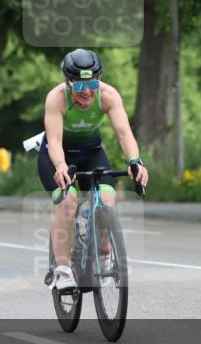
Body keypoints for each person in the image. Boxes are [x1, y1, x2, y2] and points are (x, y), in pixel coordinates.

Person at [38, 48, 149, 291]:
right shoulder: (56, 98)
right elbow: (54, 141)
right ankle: (63, 270)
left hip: (91, 152)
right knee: (68, 201)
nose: (87, 92)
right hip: (57, 155)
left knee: (107, 200)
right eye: (79, 87)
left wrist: (134, 161)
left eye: (93, 84)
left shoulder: (108, 95)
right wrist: (60, 167)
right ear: (69, 84)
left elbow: (123, 133)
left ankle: (104, 253)